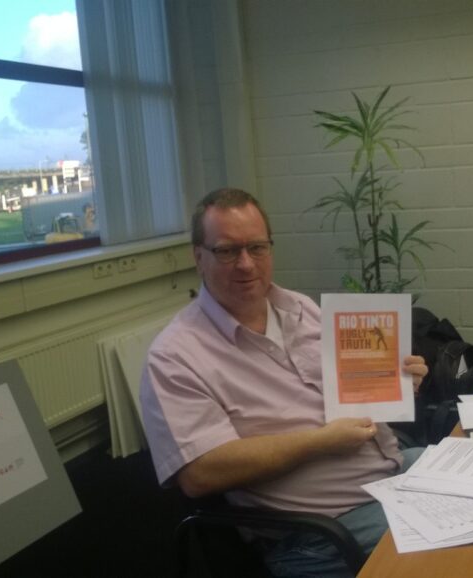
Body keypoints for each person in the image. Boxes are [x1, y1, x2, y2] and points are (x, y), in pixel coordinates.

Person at [139, 188, 428, 578]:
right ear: (198, 257)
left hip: (390, 474)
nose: (246, 264)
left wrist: (396, 383)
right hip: (326, 529)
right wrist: (321, 441)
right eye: (227, 251)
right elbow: (200, 474)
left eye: (257, 247)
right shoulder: (175, 356)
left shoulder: (300, 308)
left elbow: (349, 396)